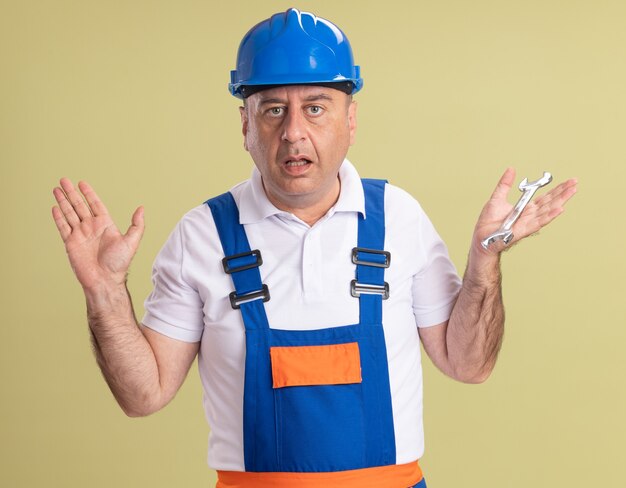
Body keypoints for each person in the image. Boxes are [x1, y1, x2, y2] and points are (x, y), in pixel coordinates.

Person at [51, 8, 577, 488]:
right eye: (273, 109)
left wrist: (485, 262)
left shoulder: (399, 218)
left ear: (350, 121)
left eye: (317, 107)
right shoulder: (202, 234)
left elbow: (470, 365)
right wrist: (104, 291)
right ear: (245, 126)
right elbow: (143, 396)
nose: (294, 132)